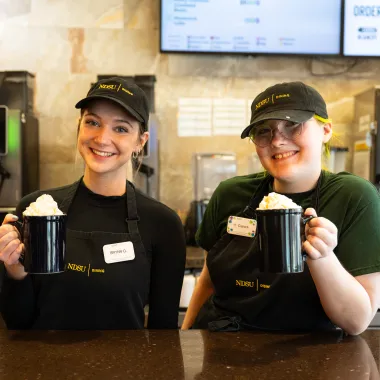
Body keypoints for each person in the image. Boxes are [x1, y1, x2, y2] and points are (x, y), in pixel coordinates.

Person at [182, 81, 380, 335]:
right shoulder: (230, 193)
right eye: (264, 131)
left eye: (292, 125)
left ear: (326, 130)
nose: (277, 140)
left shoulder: (354, 197)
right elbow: (208, 281)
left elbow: (356, 322)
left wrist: (323, 256)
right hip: (223, 351)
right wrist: (184, 339)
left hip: (311, 360)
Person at [0, 77, 186, 330]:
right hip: (44, 368)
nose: (101, 138)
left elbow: (164, 335)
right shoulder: (37, 210)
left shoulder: (163, 224)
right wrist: (13, 271)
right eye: (93, 122)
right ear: (80, 127)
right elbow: (17, 322)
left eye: (120, 128)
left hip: (126, 369)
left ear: (140, 142)